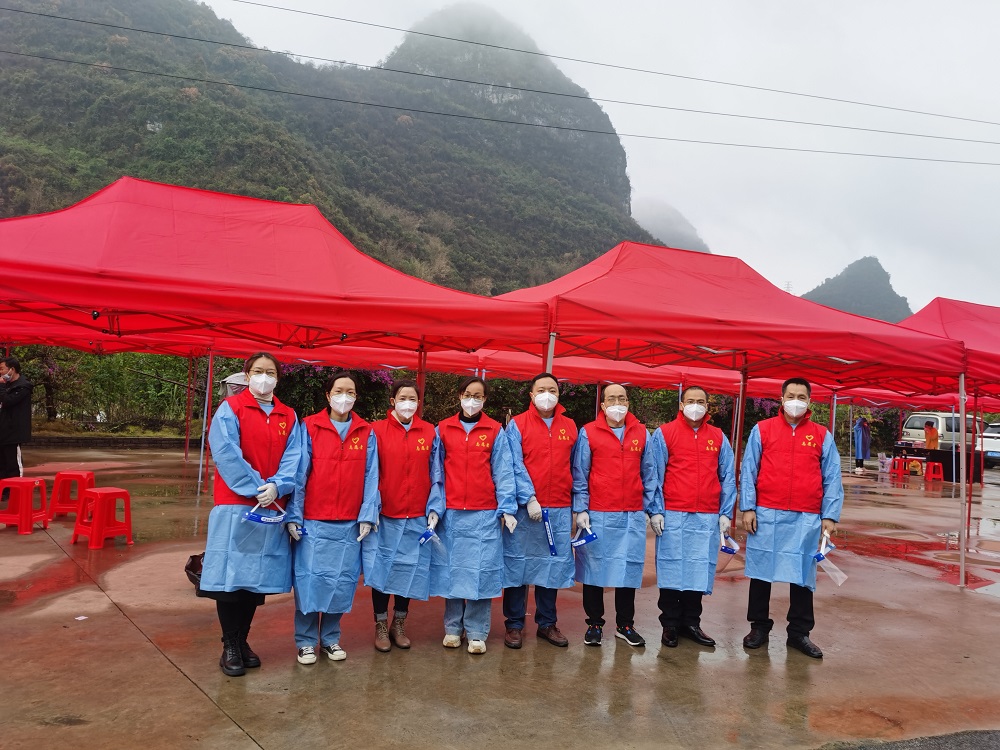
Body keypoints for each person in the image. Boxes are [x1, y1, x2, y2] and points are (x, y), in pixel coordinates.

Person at [202, 352, 302, 677]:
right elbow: (226, 452)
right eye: (258, 371)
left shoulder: (288, 415)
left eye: (270, 372)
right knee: (231, 580)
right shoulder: (230, 409)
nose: (264, 377)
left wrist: (278, 485)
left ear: (278, 378)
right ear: (247, 376)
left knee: (254, 579)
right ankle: (229, 645)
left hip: (271, 506)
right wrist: (256, 486)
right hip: (237, 504)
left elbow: (295, 457)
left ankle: (242, 639)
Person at [740, 377, 844, 659]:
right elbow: (749, 469)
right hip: (766, 512)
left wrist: (830, 515)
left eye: (801, 396)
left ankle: (799, 632)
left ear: (809, 401)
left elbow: (832, 476)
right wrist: (748, 507)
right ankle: (758, 627)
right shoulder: (762, 429)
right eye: (791, 396)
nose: (795, 401)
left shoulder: (821, 435)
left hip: (806, 515)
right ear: (781, 399)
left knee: (802, 575)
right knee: (761, 571)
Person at [286, 371, 379, 665]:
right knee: (309, 581)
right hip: (314, 520)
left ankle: (330, 638)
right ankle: (305, 642)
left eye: (350, 392)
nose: (344, 397)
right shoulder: (310, 427)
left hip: (349, 523)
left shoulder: (365, 431)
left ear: (356, 397)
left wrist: (367, 515)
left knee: (341, 582)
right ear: (328, 395)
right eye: (339, 391)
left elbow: (371, 476)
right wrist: (294, 515)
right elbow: (299, 475)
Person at [428, 376, 517, 655]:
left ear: (485, 399)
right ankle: (453, 627)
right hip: (451, 512)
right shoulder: (443, 429)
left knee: (482, 572)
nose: (472, 400)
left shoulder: (494, 430)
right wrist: (435, 508)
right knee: (453, 571)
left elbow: (503, 471)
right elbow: (436, 472)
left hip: (484, 513)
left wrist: (507, 508)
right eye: (468, 394)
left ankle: (477, 631)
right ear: (459, 395)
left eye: (478, 396)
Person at [649, 386, 737, 648]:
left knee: (699, 568)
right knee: (672, 567)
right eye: (690, 401)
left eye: (700, 401)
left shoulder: (717, 436)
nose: (695, 406)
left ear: (707, 406)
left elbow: (727, 475)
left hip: (706, 514)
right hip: (674, 513)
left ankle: (691, 622)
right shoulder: (665, 434)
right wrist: (656, 510)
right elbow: (654, 474)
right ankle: (670, 624)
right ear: (681, 404)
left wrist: (725, 512)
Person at [571, 383, 658, 648]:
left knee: (627, 569)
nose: (617, 404)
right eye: (611, 399)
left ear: (628, 402)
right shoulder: (589, 432)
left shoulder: (641, 433)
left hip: (630, 513)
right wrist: (581, 508)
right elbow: (580, 472)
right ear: (603, 404)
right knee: (594, 569)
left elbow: (650, 472)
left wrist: (650, 508)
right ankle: (594, 624)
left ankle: (625, 625)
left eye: (622, 398)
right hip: (598, 513)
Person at [502, 373, 579, 649]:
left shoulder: (569, 426)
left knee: (551, 565)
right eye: (542, 390)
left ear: (558, 394)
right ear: (532, 395)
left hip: (558, 507)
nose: (547, 394)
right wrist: (528, 497)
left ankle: (547, 623)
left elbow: (576, 466)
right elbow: (513, 464)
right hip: (526, 509)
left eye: (553, 390)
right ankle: (514, 624)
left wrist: (577, 505)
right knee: (518, 564)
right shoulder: (518, 425)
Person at [364, 379, 435, 651]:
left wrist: (434, 508)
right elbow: (370, 473)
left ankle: (399, 622)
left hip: (417, 514)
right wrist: (371, 509)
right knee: (382, 569)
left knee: (410, 570)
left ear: (419, 403)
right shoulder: (376, 431)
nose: (408, 403)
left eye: (413, 399)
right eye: (403, 398)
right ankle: (381, 624)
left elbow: (436, 472)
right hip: (386, 514)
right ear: (392, 401)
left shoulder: (429, 431)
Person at [0, 357, 33, 481]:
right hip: (3, 431)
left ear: (12, 370)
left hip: (13, 432)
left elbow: (8, 401)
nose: (0, 372)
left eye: (2, 369)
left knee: (13, 464)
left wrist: (1, 386)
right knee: (2, 465)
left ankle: (15, 488)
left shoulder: (23, 386)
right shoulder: (7, 385)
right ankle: (4, 489)